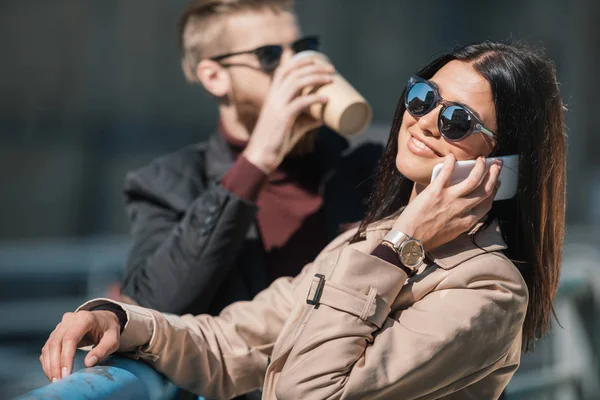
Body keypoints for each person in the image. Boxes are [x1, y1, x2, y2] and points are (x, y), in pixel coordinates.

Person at [40, 41, 566, 399]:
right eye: (423, 96)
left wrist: (402, 248)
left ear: (505, 168)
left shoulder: (488, 291)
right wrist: (121, 321)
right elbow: (235, 342)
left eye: (457, 120)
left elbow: (305, 391)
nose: (425, 121)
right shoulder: (368, 241)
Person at [119, 0, 382, 316]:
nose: (294, 68)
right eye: (269, 56)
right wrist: (258, 158)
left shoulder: (366, 161)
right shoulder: (166, 183)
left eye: (302, 48)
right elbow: (152, 307)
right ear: (214, 77)